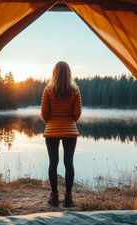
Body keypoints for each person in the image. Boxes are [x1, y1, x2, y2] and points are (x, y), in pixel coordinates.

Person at [41, 61, 82, 207]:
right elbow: (77, 114)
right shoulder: (75, 90)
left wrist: (52, 123)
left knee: (53, 163)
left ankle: (54, 197)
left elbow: (44, 114)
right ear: (69, 73)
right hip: (70, 130)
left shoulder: (48, 89)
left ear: (54, 72)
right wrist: (68, 121)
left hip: (51, 130)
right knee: (68, 163)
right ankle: (68, 198)